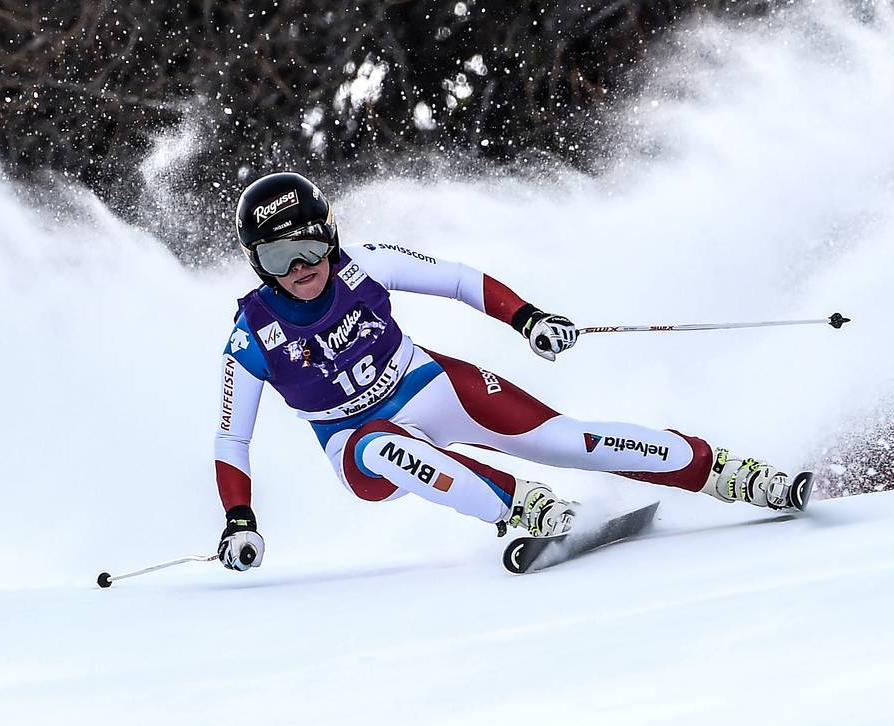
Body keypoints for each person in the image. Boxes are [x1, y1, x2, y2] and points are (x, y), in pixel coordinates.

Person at [214, 172, 806, 570]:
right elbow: (232, 436)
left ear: (331, 235)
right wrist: (239, 521)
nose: (298, 267)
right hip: (352, 439)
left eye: (309, 247)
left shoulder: (362, 263)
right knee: (382, 449)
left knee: (564, 439)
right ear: (257, 264)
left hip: (427, 385)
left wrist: (529, 319)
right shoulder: (251, 332)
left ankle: (728, 473)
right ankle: (524, 507)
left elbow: (456, 279)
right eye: (276, 256)